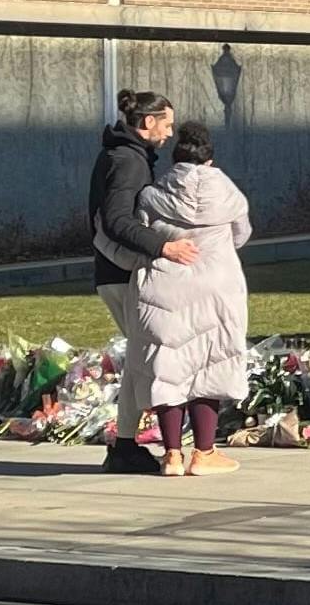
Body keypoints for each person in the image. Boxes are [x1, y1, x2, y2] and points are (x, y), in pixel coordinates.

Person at [132, 122, 252, 476]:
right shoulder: (229, 193)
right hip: (217, 284)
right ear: (210, 160)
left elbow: (140, 229)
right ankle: (205, 452)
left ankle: (171, 455)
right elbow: (241, 235)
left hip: (164, 283)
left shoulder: (153, 193)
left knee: (167, 369)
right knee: (210, 365)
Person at [89, 88, 197, 474]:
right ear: (148, 122)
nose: (169, 133)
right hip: (124, 276)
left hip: (114, 274)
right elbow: (118, 221)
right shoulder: (128, 161)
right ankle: (125, 445)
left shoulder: (123, 155)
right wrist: (164, 247)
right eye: (166, 123)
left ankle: (126, 445)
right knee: (140, 362)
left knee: (138, 361)